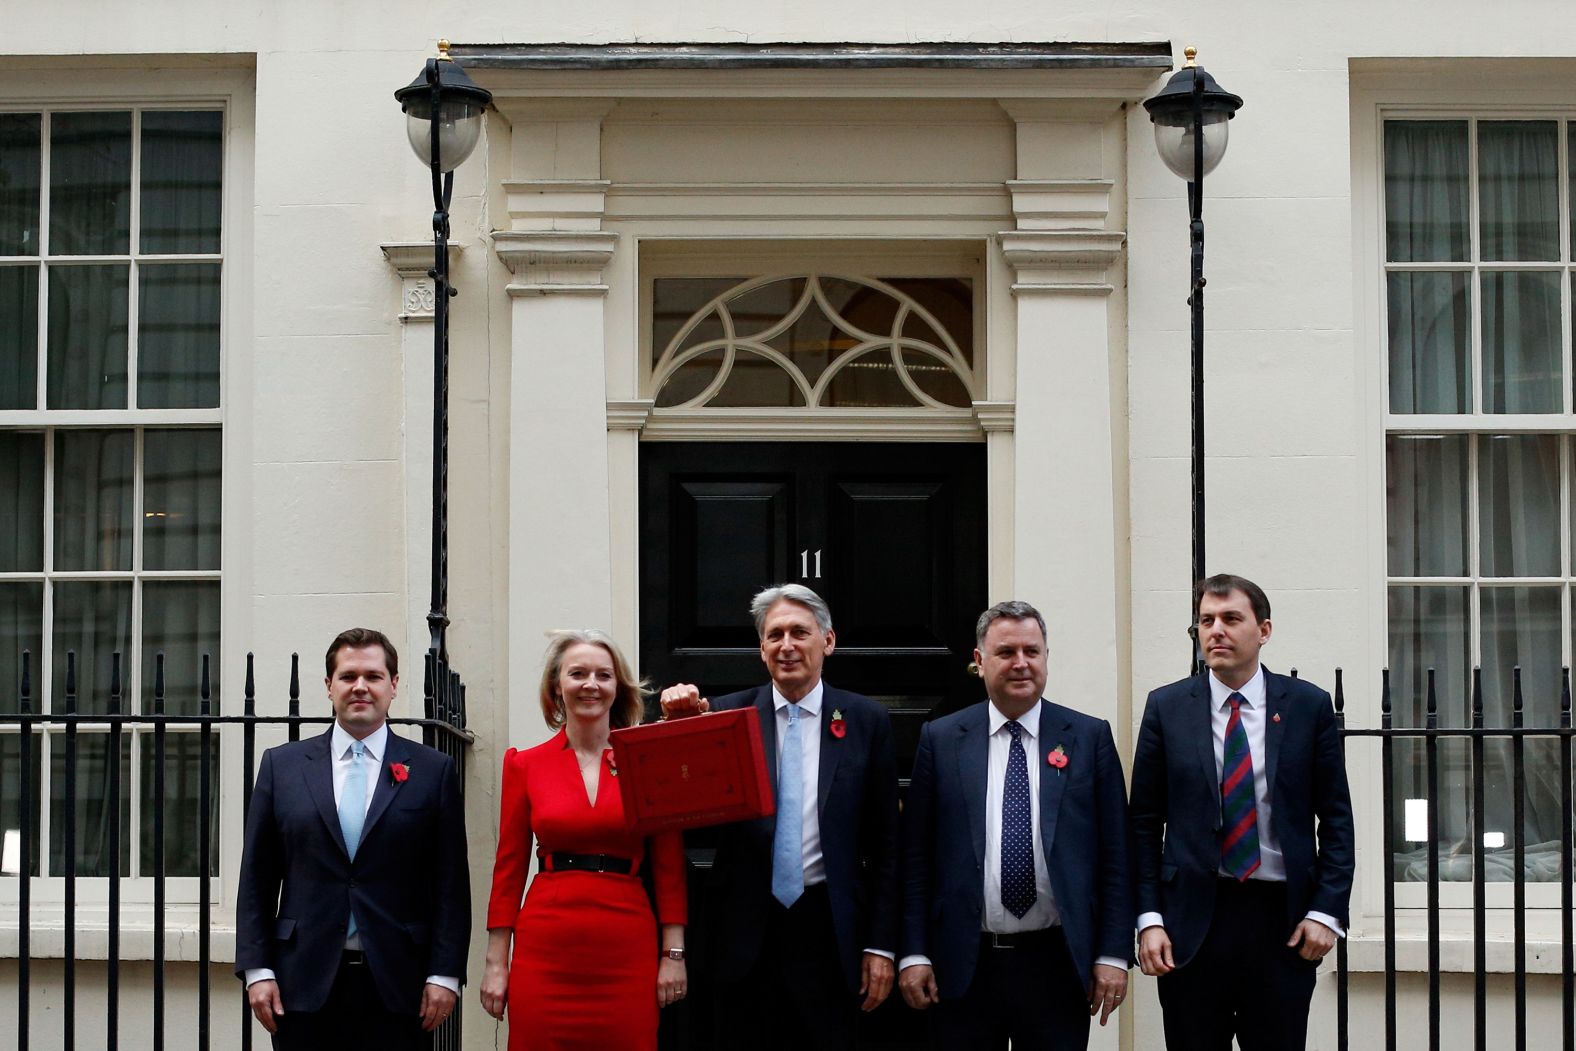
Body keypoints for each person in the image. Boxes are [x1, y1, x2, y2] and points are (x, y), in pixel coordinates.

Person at [659, 583, 898, 1049]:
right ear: (761, 648)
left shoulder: (866, 721)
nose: (786, 646)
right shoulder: (726, 715)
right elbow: (677, 811)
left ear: (827, 641)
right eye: (775, 635)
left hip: (831, 934)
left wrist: (880, 945)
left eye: (799, 633)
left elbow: (887, 845)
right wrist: (677, 727)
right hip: (743, 938)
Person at [1131, 574, 1355, 1050]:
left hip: (1282, 924)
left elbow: (1336, 820)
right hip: (1192, 922)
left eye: (1232, 619)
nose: (1216, 631)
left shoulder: (1307, 707)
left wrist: (1327, 912)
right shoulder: (1167, 707)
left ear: (1264, 630)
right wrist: (1148, 917)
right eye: (1206, 621)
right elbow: (1144, 823)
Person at [897, 600, 1132, 1050]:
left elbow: (1116, 856)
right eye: (1006, 652)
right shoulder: (941, 740)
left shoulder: (1089, 737)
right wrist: (913, 951)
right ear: (979, 661)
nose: (1021, 663)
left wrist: (1112, 952)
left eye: (1032, 651)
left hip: (1058, 964)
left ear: (1046, 657)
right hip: (962, 964)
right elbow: (916, 859)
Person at [235, 627, 471, 1049]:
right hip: (301, 985)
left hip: (402, 986)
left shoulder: (433, 772)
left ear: (393, 685)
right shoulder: (281, 767)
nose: (360, 686)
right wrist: (258, 970)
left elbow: (451, 884)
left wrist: (445, 974)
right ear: (329, 686)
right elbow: (256, 878)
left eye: (374, 676)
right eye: (347, 676)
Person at [481, 630, 688, 1049]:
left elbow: (668, 865)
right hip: (546, 950)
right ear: (557, 685)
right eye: (577, 674)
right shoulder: (525, 765)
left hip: (626, 947)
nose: (590, 684)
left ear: (618, 687)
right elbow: (508, 868)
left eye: (603, 675)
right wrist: (496, 962)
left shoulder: (648, 760)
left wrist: (673, 954)